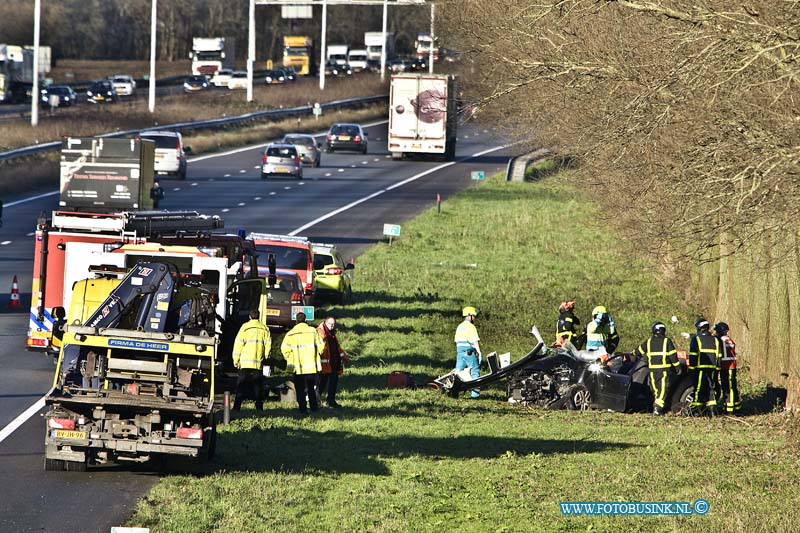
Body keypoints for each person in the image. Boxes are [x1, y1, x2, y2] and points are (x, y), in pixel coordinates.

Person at [281, 312, 325, 414]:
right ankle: (314, 407)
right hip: (311, 366)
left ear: (296, 321)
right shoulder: (313, 331)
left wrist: (290, 358)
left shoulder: (290, 333)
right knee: (311, 388)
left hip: (297, 367)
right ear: (305, 320)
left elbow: (284, 349)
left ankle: (302, 409)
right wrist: (316, 354)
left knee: (299, 388)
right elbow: (321, 347)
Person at [636, 322, 680, 416]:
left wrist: (631, 354)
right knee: (662, 390)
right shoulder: (667, 341)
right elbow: (673, 356)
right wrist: (677, 367)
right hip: (664, 371)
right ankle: (657, 409)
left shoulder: (649, 341)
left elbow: (638, 351)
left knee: (656, 390)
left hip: (652, 371)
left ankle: (657, 407)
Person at [232, 309, 272, 412]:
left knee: (240, 385)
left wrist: (236, 360)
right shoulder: (265, 329)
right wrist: (266, 356)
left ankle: (237, 408)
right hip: (257, 362)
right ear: (259, 317)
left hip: (245, 362)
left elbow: (238, 344)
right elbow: (268, 344)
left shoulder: (245, 328)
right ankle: (259, 407)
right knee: (258, 386)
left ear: (249, 317)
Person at [688, 318, 722, 416]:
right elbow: (719, 356)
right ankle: (712, 411)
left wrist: (692, 368)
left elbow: (693, 355)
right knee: (711, 389)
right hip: (712, 369)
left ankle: (696, 411)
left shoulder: (696, 339)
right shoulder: (715, 340)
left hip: (700, 369)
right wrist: (717, 370)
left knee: (698, 389)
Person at [317, 316, 350, 408]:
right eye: (330, 324)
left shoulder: (332, 334)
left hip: (334, 363)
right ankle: (316, 400)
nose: (332, 326)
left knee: (333, 383)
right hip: (325, 364)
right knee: (322, 383)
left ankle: (331, 401)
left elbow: (337, 348)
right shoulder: (320, 332)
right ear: (325, 322)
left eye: (333, 324)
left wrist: (345, 357)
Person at [454, 306, 482, 398]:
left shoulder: (459, 326)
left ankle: (454, 391)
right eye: (474, 315)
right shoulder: (471, 327)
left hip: (460, 353)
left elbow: (457, 341)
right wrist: (479, 352)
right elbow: (475, 340)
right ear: (469, 315)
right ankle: (475, 395)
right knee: (475, 371)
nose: (475, 317)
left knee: (458, 373)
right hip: (469, 352)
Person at [714, 321, 741, 414]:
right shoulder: (728, 339)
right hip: (729, 366)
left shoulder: (721, 340)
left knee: (729, 388)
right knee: (730, 387)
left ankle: (730, 409)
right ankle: (736, 407)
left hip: (727, 366)